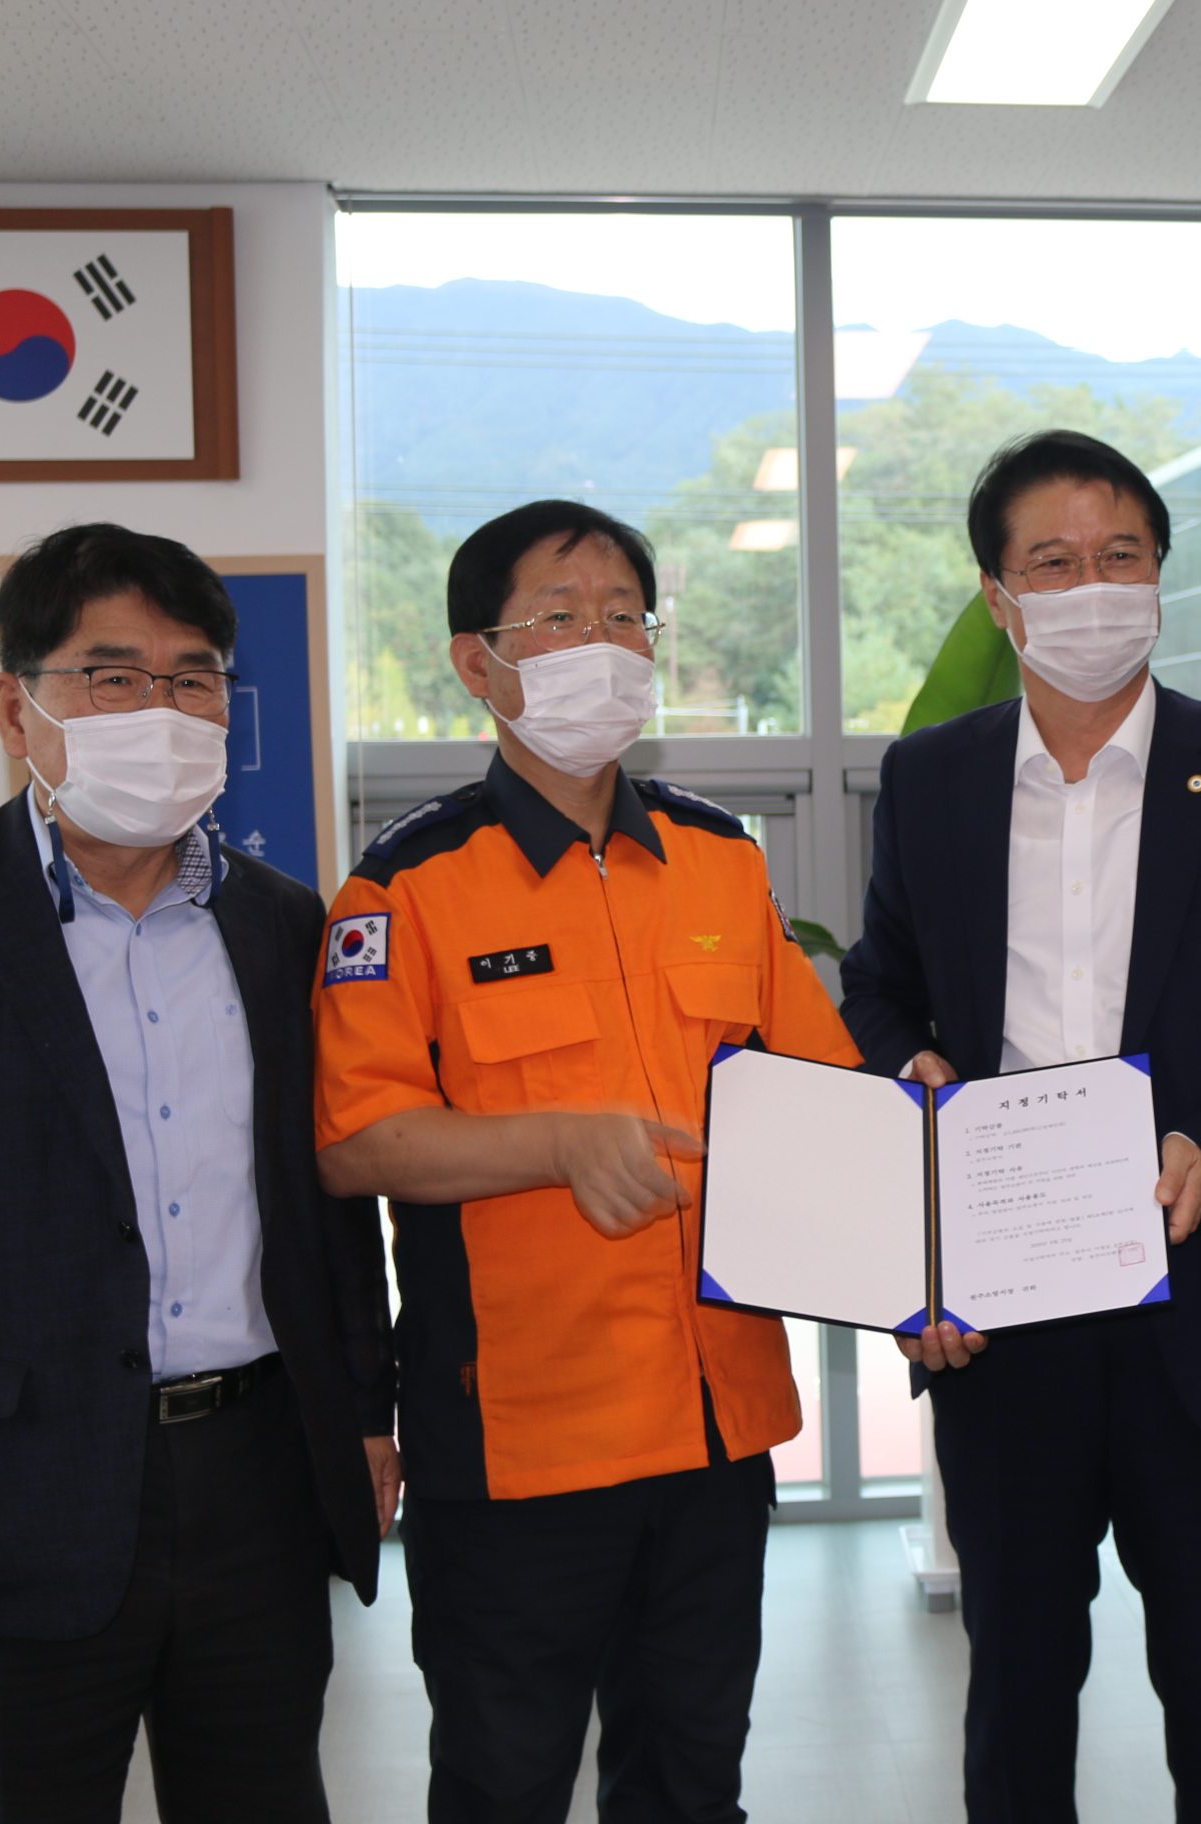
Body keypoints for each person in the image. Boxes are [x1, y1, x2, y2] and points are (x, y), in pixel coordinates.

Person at [0, 523, 399, 1824]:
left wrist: (363, 1413)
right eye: (112, 677)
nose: (159, 710)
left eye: (192, 677)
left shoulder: (284, 923)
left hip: (259, 1476)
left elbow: (324, 1205)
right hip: (10, 1491)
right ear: (19, 709)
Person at [836, 429, 1201, 1823]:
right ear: (998, 598)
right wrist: (906, 1061)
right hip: (1008, 1313)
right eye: (1053, 562)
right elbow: (881, 983)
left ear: (1159, 577)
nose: (1092, 588)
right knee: (1018, 1692)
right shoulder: (933, 780)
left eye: (1120, 557)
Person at [311, 499, 861, 1824]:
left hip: (715, 1426)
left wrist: (923, 1202)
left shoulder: (719, 860)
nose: (601, 644)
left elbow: (822, 1098)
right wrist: (554, 1142)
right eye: (559, 618)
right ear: (477, 661)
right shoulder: (406, 886)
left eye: (624, 617)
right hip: (518, 1447)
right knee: (504, 1786)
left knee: (692, 1782)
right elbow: (355, 1139)